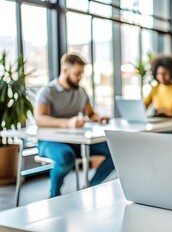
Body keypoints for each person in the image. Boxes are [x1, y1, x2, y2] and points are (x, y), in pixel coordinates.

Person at [35, 53, 115, 197]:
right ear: (65, 71)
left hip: (77, 141)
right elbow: (40, 119)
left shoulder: (81, 91)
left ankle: (90, 187)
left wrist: (97, 118)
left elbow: (91, 114)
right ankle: (54, 195)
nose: (79, 78)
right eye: (77, 74)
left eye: (81, 74)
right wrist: (67, 123)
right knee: (66, 157)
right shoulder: (47, 92)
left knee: (115, 152)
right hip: (50, 142)